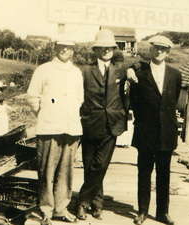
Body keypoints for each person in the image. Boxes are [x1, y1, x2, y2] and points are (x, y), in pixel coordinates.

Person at [26, 37, 83, 225]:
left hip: (71, 128)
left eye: (69, 47)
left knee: (66, 172)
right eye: (61, 46)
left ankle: (61, 208)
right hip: (49, 127)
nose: (65, 50)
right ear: (55, 48)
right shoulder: (43, 70)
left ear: (73, 50)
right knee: (47, 171)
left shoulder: (76, 72)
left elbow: (80, 99)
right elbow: (32, 96)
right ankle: (46, 210)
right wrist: (45, 113)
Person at [127, 35, 182, 225]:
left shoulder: (175, 75)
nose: (159, 52)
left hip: (166, 133)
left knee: (164, 174)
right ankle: (142, 211)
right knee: (144, 173)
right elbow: (133, 99)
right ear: (151, 50)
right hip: (145, 132)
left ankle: (162, 213)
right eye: (156, 48)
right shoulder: (139, 72)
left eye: (163, 49)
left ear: (167, 52)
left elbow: (173, 99)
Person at [76, 29, 128, 221]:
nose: (106, 50)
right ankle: (97, 204)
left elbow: (138, 75)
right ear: (96, 50)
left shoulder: (122, 70)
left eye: (110, 47)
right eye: (102, 47)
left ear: (114, 50)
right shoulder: (85, 71)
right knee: (90, 165)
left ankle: (82, 202)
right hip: (89, 123)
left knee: (101, 165)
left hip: (112, 124)